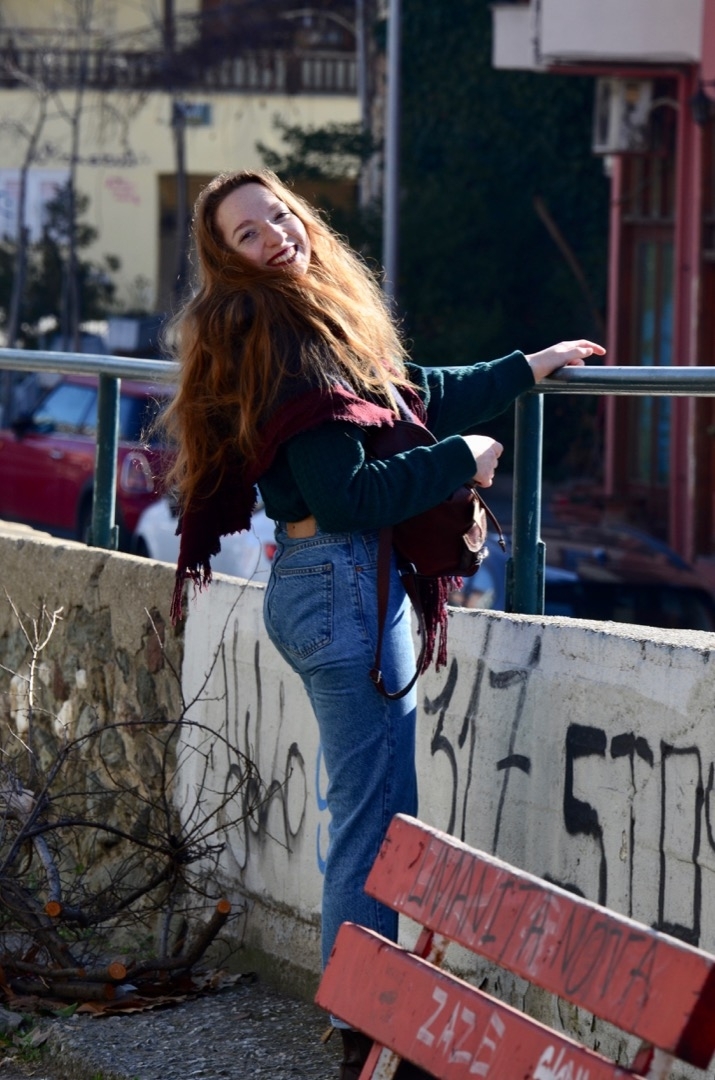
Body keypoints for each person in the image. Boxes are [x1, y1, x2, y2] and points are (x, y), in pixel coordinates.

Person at [163, 168, 606, 1079]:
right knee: (372, 822)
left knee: (372, 812)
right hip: (340, 583)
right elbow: (347, 494)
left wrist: (527, 366)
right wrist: (459, 460)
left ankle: (363, 1021)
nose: (275, 236)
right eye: (248, 233)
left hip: (330, 585)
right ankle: (363, 1033)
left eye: (278, 215)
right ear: (227, 258)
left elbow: (406, 394)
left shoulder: (306, 321)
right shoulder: (283, 338)